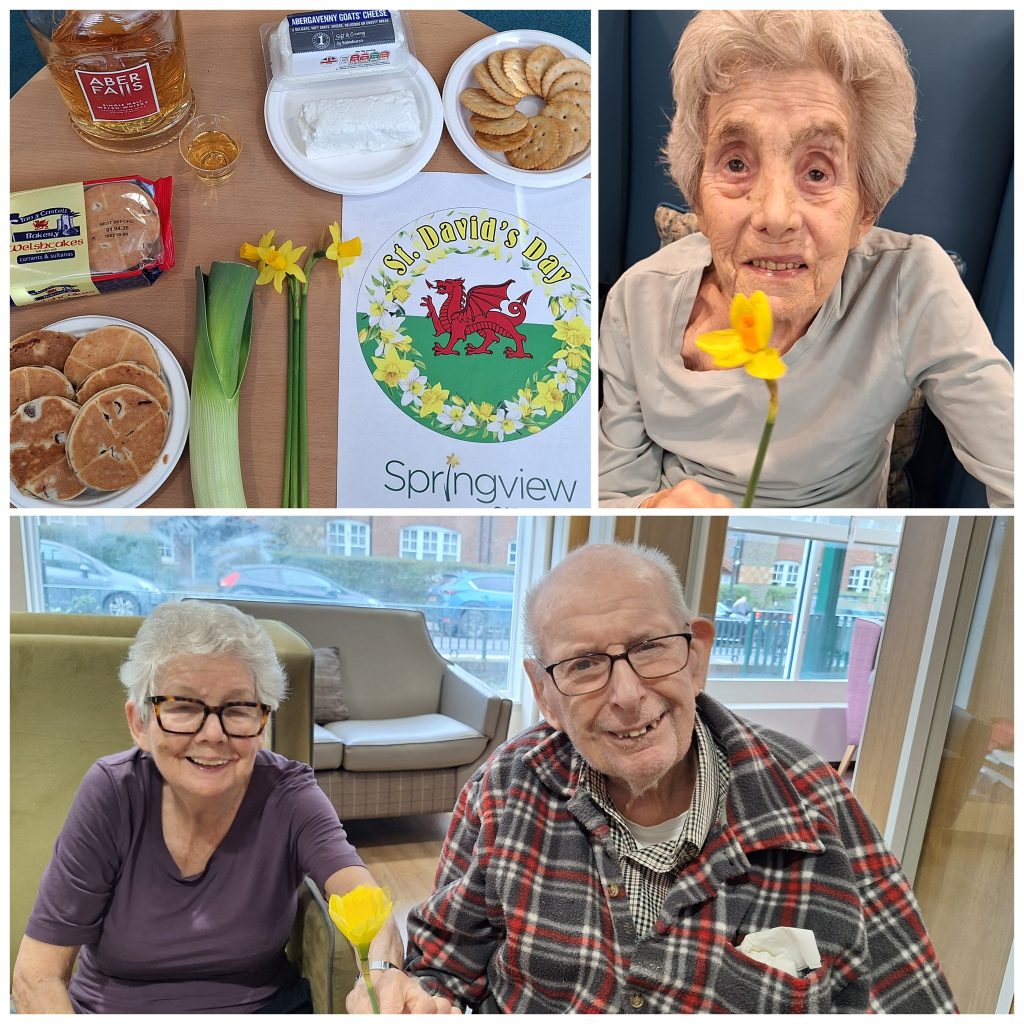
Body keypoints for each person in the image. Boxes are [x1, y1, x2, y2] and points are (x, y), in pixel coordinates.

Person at [351, 543, 957, 1013]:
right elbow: (444, 966)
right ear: (546, 695)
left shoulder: (812, 806)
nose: (627, 695)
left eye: (650, 648)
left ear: (696, 655)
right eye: (583, 665)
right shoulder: (505, 789)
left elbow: (913, 1001)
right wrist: (419, 997)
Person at [598, 10, 1013, 508]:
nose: (775, 216)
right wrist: (653, 511)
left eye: (817, 173)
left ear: (867, 208)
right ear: (697, 196)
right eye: (736, 164)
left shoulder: (913, 285)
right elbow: (613, 486)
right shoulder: (635, 299)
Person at [11, 602, 431, 1013]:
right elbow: (38, 974)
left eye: (239, 708)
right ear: (139, 723)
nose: (213, 734)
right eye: (182, 706)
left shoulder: (289, 793)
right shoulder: (113, 792)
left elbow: (366, 901)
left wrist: (383, 971)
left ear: (263, 722)